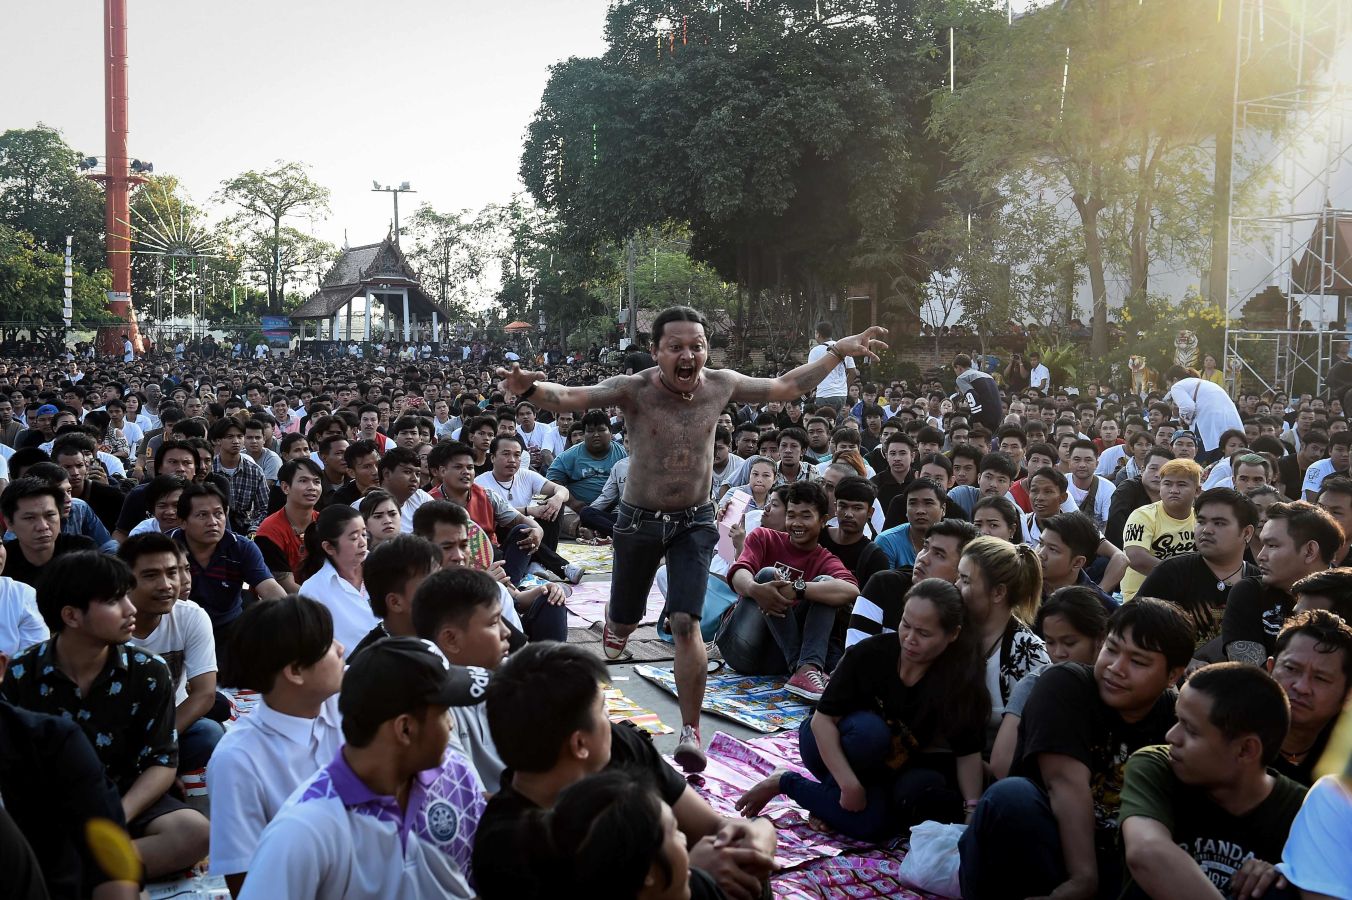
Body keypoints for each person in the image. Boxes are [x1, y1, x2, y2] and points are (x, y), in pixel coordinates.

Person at [498, 305, 887, 770]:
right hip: (637, 522)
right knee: (623, 624)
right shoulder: (632, 389)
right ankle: (617, 620)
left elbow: (786, 386)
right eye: (676, 347)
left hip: (694, 520)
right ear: (655, 351)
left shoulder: (721, 384)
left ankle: (690, 732)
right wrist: (530, 388)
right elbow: (570, 397)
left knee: (686, 623)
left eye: (696, 346)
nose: (688, 355)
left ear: (707, 350)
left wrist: (836, 353)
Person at [473, 641, 777, 900]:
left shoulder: (618, 748)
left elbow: (713, 827)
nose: (611, 718)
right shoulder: (506, 851)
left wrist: (758, 837)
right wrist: (685, 873)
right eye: (603, 708)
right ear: (580, 744)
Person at [959, 598, 1195, 900]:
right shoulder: (1065, 683)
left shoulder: (1175, 720)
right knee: (1010, 798)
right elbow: (1064, 783)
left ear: (1173, 675)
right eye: (1111, 649)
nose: (1116, 668)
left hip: (1123, 860)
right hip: (1045, 846)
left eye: (1138, 662)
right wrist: (1083, 877)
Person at [1, 552, 210, 880]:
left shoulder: (148, 671)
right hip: (48, 806)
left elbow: (161, 763)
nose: (131, 610)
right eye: (115, 601)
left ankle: (76, 871)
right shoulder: (24, 671)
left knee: (194, 832)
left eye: (127, 597)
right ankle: (103, 869)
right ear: (71, 616)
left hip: (126, 798)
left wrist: (114, 818)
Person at [736, 578, 987, 841]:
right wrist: (847, 784)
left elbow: (967, 751)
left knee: (875, 825)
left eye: (924, 634)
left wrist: (972, 810)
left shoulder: (960, 681)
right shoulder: (870, 654)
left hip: (883, 766)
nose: (910, 639)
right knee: (871, 734)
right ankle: (795, 782)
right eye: (905, 625)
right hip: (828, 744)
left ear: (953, 634)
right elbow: (821, 722)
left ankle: (804, 791)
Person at [238, 637, 487, 900]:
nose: (450, 725)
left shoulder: (457, 774)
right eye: (444, 713)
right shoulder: (304, 831)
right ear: (405, 729)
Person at [1118, 663, 1306, 900]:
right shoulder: (1156, 765)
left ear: (1245, 750)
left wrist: (1285, 876)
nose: (1171, 736)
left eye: (1191, 730)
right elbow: (1146, 853)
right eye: (1177, 720)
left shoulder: (1304, 812)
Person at [207, 594, 345, 896]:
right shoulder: (237, 760)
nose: (341, 649)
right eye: (329, 644)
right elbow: (244, 877)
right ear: (295, 671)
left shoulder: (350, 706)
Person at [722, 481, 860, 699]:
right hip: (742, 645)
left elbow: (851, 590)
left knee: (825, 584)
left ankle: (804, 669)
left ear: (823, 521)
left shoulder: (825, 558)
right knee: (768, 574)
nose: (797, 523)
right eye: (792, 515)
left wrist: (799, 589)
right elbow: (739, 572)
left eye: (806, 516)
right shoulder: (764, 536)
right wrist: (757, 590)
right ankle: (803, 668)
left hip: (779, 659)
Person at [119, 533, 223, 773]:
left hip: (169, 723)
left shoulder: (191, 616)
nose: (166, 585)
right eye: (151, 575)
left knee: (209, 734)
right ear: (125, 579)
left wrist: (156, 746)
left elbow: (204, 694)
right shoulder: (106, 620)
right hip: (114, 730)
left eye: (172, 573)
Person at [990, 586, 1108, 779]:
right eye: (1050, 643)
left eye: (1070, 643)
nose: (1058, 653)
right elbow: (1002, 763)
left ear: (1100, 639)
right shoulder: (1034, 684)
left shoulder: (1116, 681)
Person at [411, 566, 509, 791]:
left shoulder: (515, 679)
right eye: (494, 622)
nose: (506, 632)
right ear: (451, 639)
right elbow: (472, 800)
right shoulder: (437, 709)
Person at [1137, 487, 1260, 665]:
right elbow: (1136, 630)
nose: (1206, 530)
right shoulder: (1170, 572)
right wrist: (1183, 662)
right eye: (1201, 521)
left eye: (1219, 523)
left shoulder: (1258, 584)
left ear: (1247, 533)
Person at [172, 482, 286, 667]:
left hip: (229, 632)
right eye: (202, 515)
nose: (213, 522)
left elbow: (269, 588)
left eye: (218, 514)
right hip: (177, 632)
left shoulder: (241, 547)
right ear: (183, 521)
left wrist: (294, 618)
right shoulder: (167, 550)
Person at [957, 536, 1051, 744]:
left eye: (965, 581)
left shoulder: (1029, 654)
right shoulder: (952, 632)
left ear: (998, 592)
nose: (955, 586)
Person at [1223, 500, 1342, 664]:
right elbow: (1249, 678)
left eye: (1272, 545)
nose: (1260, 556)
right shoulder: (1249, 592)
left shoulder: (1347, 595)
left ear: (1309, 551)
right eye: (1262, 544)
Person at [845, 518, 978, 648]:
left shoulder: (967, 609)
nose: (923, 558)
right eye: (925, 547)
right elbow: (854, 655)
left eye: (939, 554)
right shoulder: (884, 585)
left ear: (962, 570)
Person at [1266, 610, 1352, 786]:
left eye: (1320, 678)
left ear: (1347, 696)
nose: (1302, 687)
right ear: (1270, 668)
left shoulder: (1345, 757)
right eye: (1291, 669)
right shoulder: (1229, 733)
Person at [296, 504, 375, 658]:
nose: (362, 543)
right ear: (329, 547)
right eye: (353, 537)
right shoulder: (313, 590)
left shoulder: (385, 568)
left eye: (364, 534)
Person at [348, 533, 441, 660]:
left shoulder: (449, 633)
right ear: (395, 602)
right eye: (431, 583)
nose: (442, 588)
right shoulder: (370, 668)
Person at [1120, 458, 1202, 602]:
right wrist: (1182, 579)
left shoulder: (1202, 519)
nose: (1174, 490)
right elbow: (1135, 557)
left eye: (1182, 484)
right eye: (1167, 484)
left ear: (1197, 490)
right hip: (1141, 598)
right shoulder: (1142, 515)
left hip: (1187, 597)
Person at [0, 476, 96, 588]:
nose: (43, 526)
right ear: (9, 523)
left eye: (50, 515)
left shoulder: (83, 551)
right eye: (30, 518)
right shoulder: (3, 561)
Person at [254, 457, 323, 593]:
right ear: (285, 487)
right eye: (303, 481)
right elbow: (286, 586)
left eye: (317, 482)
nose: (312, 487)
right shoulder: (269, 532)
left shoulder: (325, 522)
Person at [1164, 366, 1244, 464]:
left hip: (1208, 422)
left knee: (1195, 462)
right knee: (1219, 460)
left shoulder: (1177, 386)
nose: (1168, 388)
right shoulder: (1206, 383)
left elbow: (1188, 407)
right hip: (1230, 423)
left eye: (1168, 384)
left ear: (1174, 380)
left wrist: (1184, 418)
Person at [209, 416, 268, 536]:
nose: (236, 441)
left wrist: (253, 528)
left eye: (240, 436)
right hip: (212, 526)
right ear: (218, 440)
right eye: (230, 437)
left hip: (244, 529)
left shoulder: (254, 471)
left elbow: (263, 508)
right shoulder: (209, 469)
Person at [875, 477, 946, 569]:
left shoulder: (953, 543)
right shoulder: (887, 541)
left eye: (928, 503)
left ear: (943, 509)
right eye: (913, 503)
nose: (920, 511)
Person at [808, 321, 856, 412]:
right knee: (836, 422)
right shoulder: (843, 347)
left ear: (818, 334)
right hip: (841, 395)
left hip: (824, 395)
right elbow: (853, 372)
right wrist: (844, 387)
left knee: (825, 424)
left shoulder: (815, 351)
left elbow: (810, 374)